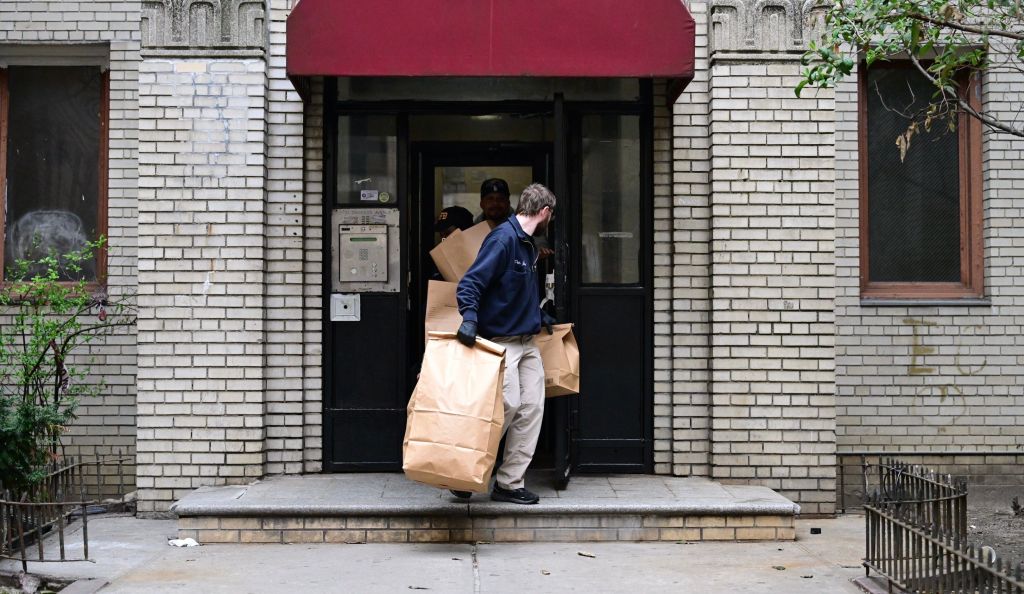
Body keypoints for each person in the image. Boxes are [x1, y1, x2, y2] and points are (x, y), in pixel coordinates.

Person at [453, 183, 557, 505]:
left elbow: (516, 291)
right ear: (544, 212)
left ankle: (509, 483)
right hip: (501, 341)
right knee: (507, 405)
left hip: (527, 341)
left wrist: (538, 316)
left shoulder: (527, 244)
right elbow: (471, 283)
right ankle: (463, 470)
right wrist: (470, 318)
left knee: (532, 409)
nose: (550, 220)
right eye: (551, 215)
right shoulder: (503, 240)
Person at [476, 178, 554, 259]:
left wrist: (538, 250)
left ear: (508, 203)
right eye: (490, 199)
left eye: (501, 199)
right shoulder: (475, 227)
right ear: (482, 204)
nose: (495, 203)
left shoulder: (523, 221)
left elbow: (539, 242)